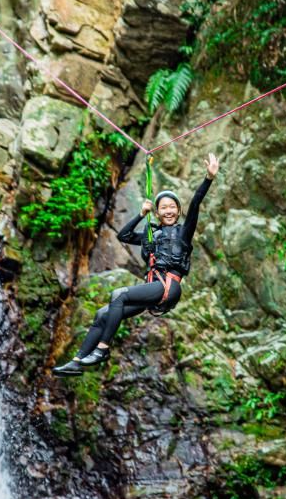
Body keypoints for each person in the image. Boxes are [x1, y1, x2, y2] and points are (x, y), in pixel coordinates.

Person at [53, 153, 220, 377]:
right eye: (163, 208)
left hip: (168, 286)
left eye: (172, 207)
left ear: (178, 211)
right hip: (153, 289)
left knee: (119, 295)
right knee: (103, 314)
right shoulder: (152, 235)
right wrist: (141, 214)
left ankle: (102, 349)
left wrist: (208, 178)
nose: (168, 211)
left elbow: (196, 203)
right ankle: (77, 361)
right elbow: (124, 235)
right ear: (158, 213)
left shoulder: (183, 233)